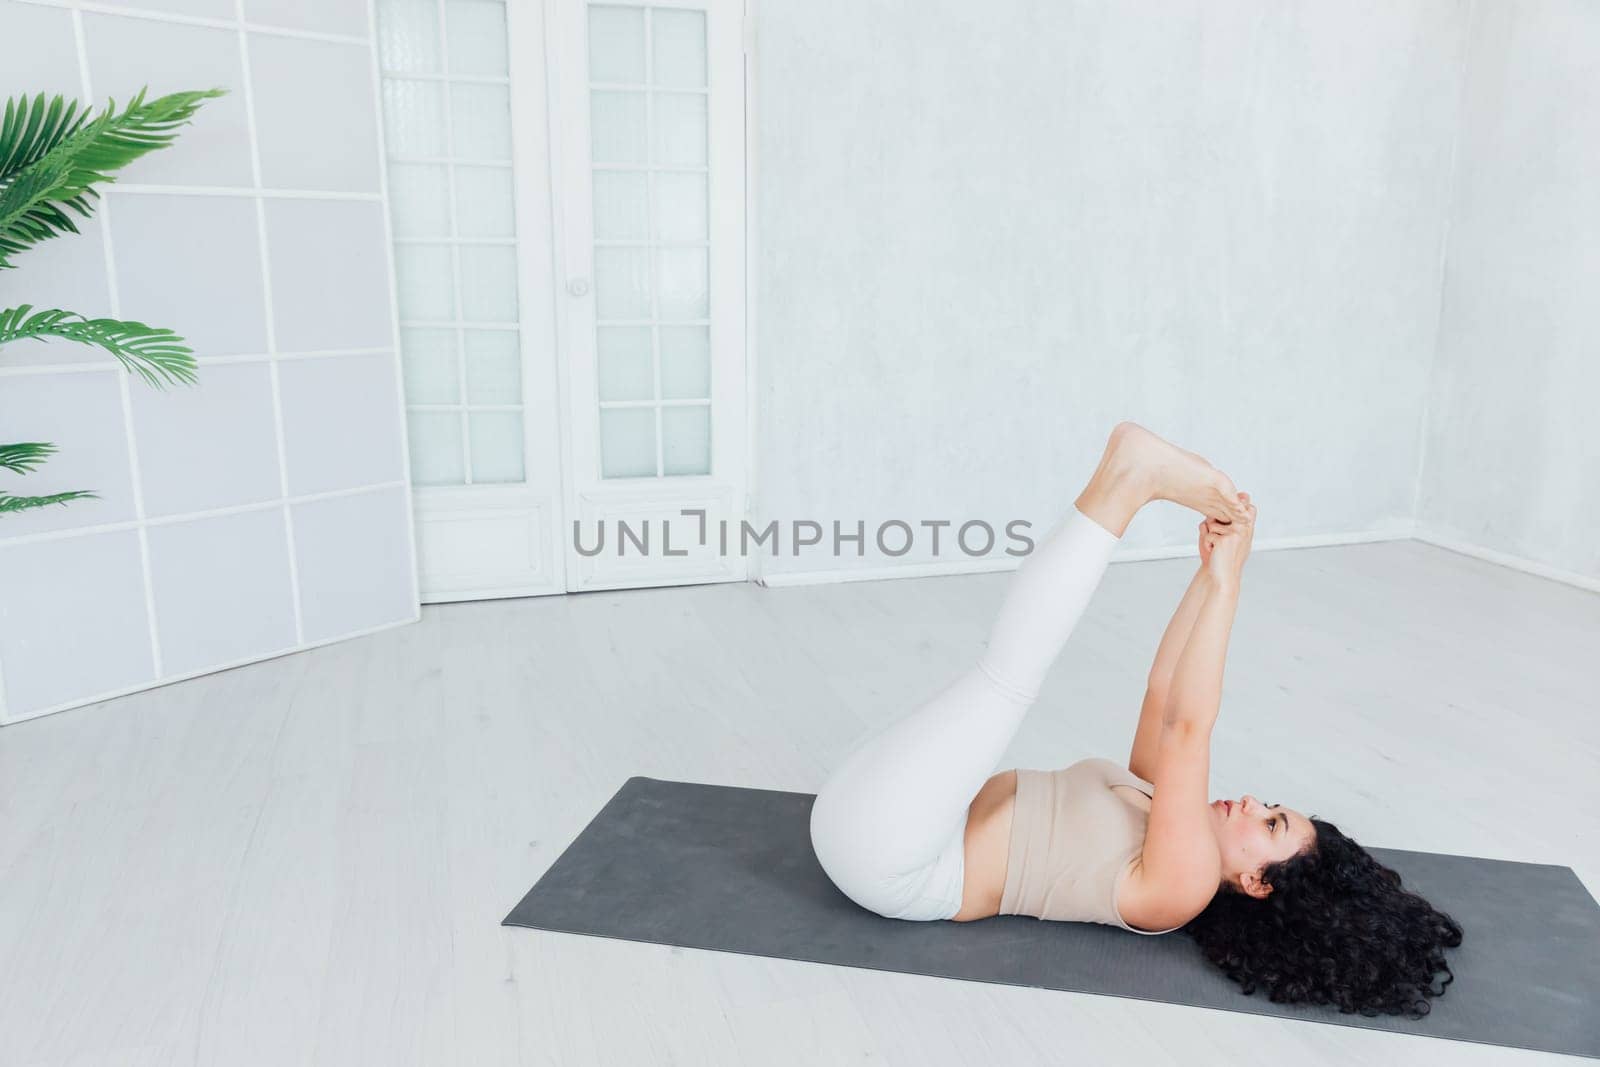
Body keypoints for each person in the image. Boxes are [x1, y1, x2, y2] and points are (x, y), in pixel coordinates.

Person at [808, 422, 1463, 1018]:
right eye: (1273, 806)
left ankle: (1130, 478)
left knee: (1008, 678)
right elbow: (1162, 693)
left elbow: (1188, 728)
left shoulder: (1182, 886)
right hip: (890, 819)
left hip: (897, 860)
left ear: (1258, 882)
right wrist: (1211, 574)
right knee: (998, 680)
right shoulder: (1157, 813)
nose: (1252, 801)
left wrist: (1232, 587)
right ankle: (1130, 477)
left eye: (1270, 823)